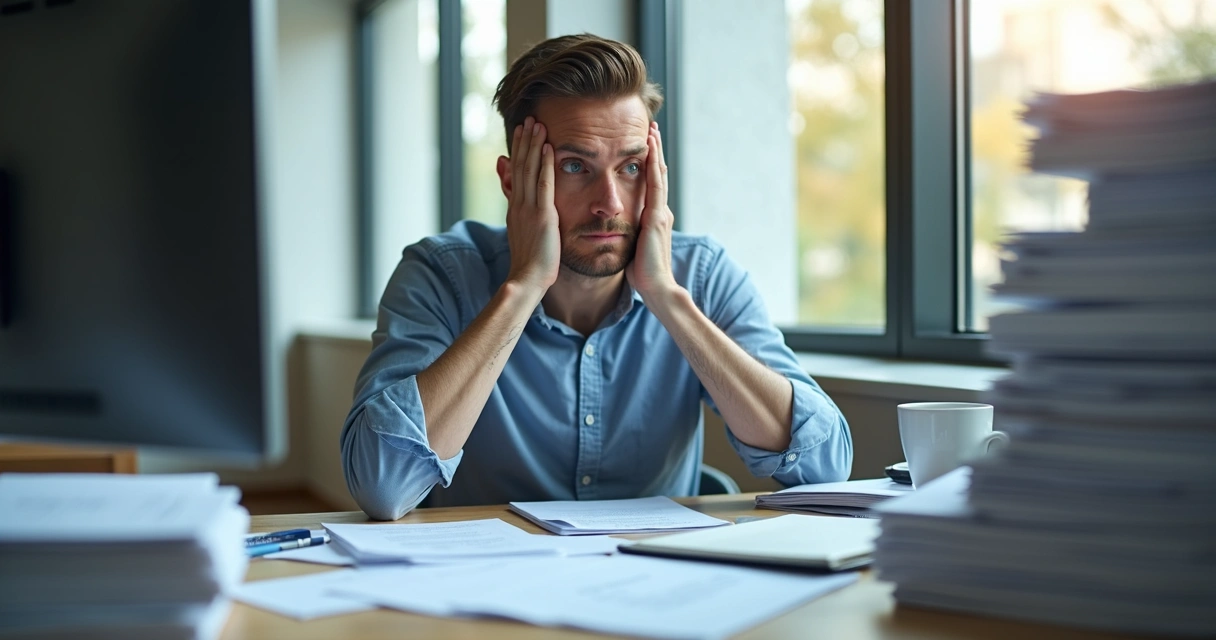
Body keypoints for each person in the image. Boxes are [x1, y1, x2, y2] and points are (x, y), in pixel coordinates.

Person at [341, 34, 852, 520]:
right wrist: (523, 288)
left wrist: (667, 298)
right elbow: (383, 486)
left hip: (657, 573)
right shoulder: (442, 275)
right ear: (513, 180)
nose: (610, 204)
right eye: (574, 167)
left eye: (630, 168)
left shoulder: (701, 275)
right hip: (491, 580)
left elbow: (824, 467)